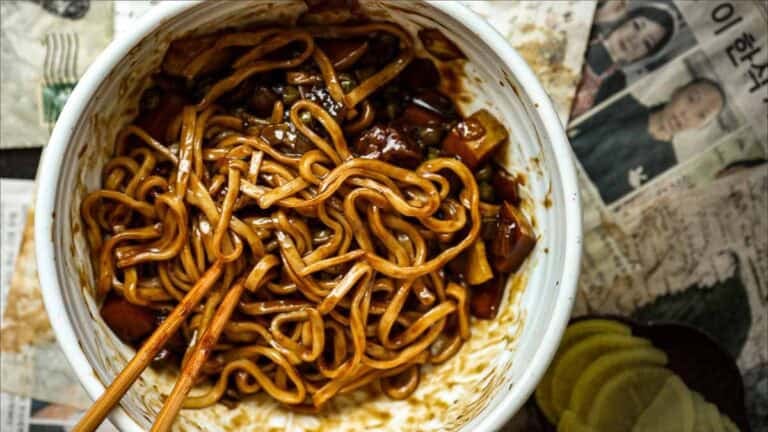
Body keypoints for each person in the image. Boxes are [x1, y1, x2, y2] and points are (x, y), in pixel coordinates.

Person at [569, 78, 725, 203]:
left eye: (701, 115)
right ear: (677, 92)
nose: (687, 114)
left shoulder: (666, 170)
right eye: (692, 99)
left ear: (700, 127)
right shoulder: (619, 100)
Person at [571, 5, 676, 118]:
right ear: (627, 19)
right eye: (637, 26)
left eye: (647, 43)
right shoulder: (582, 27)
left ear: (645, 55)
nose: (635, 40)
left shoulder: (615, 89)